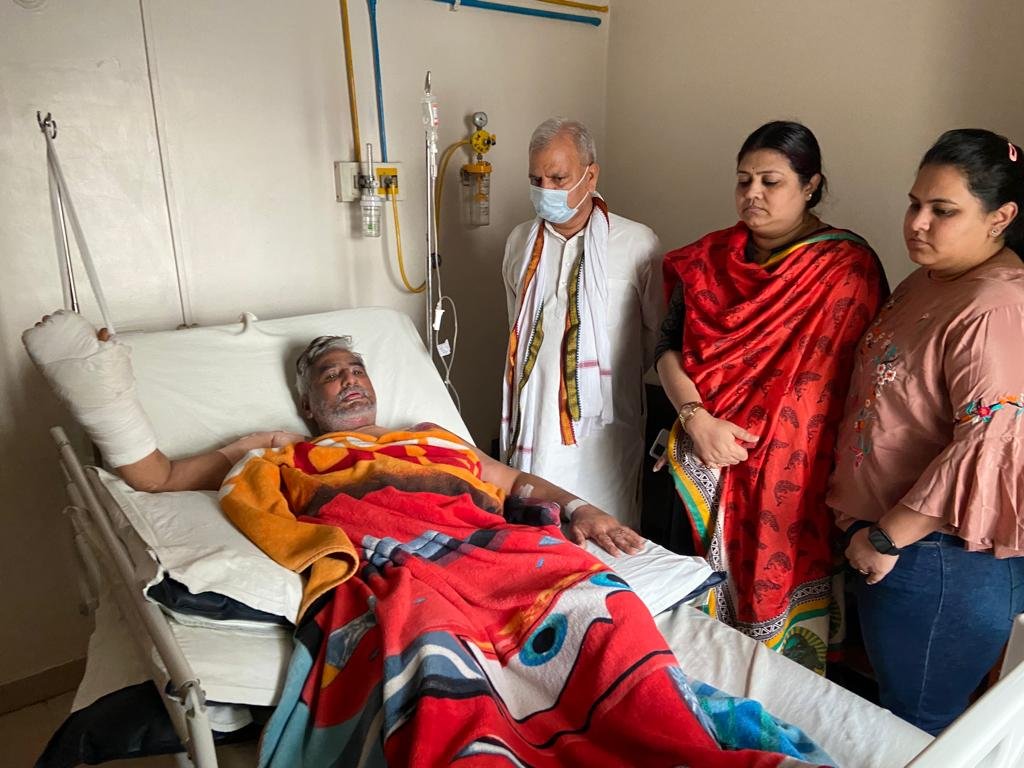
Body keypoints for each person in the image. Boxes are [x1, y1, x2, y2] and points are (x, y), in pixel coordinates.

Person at [23, 313, 643, 557]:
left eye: (356, 370)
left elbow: (515, 483)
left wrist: (581, 509)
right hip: (398, 560)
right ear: (308, 405)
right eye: (331, 375)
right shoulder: (285, 453)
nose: (349, 380)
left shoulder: (431, 437)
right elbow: (155, 479)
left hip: (486, 542)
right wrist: (100, 391)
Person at [655, 121, 888, 673]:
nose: (752, 194)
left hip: (799, 479)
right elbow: (666, 349)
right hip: (705, 461)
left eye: (771, 181)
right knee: (696, 643)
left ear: (811, 185)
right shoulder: (709, 260)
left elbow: (858, 388)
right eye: (744, 180)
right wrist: (697, 420)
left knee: (783, 657)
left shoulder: (846, 268)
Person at [829, 128, 1024, 734]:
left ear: (1001, 218)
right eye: (915, 203)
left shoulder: (994, 305)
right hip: (895, 545)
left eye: (943, 210)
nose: (917, 223)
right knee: (899, 713)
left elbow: (988, 442)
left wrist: (887, 539)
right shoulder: (932, 278)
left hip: (935, 557)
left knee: (919, 726)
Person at [501, 118, 662, 529]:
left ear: (591, 176)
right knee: (535, 530)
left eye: (558, 178)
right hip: (534, 422)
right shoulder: (520, 242)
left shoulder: (637, 243)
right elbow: (517, 332)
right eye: (536, 180)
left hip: (605, 428)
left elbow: (656, 337)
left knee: (609, 535)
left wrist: (594, 380)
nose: (546, 191)